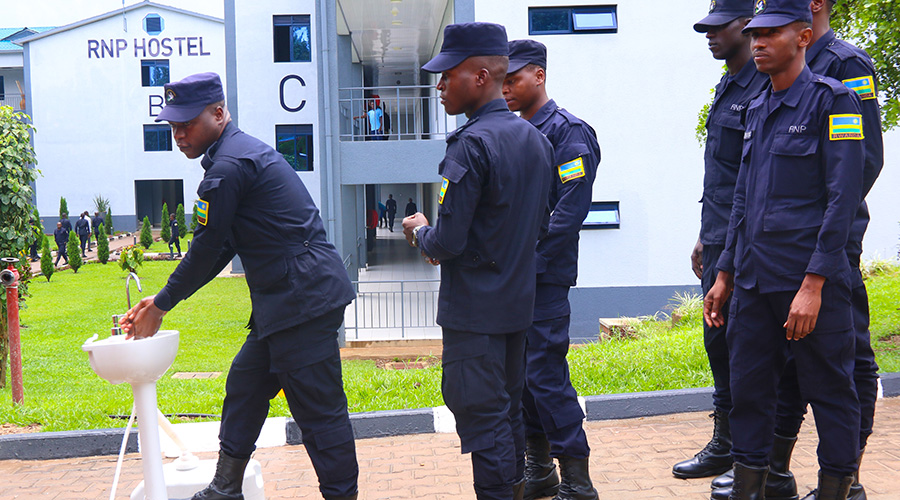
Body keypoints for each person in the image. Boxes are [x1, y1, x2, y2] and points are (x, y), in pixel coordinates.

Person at [119, 72, 359, 500]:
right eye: (171, 126)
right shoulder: (232, 155)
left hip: (302, 301)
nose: (178, 135)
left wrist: (162, 303)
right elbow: (223, 245)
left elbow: (209, 246)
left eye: (186, 124)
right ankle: (226, 487)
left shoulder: (229, 166)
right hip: (285, 301)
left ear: (218, 113)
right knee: (245, 386)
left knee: (319, 414)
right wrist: (162, 299)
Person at [712, 1, 885, 499]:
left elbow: (844, 196)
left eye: (770, 34)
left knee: (831, 389)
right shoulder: (759, 105)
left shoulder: (836, 100)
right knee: (749, 391)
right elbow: (743, 196)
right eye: (755, 34)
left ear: (803, 37)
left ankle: (838, 488)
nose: (758, 42)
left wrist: (815, 283)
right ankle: (753, 485)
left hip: (808, 278)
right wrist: (725, 273)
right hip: (753, 279)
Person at [402, 22, 553, 500]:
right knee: (507, 412)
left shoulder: (469, 147)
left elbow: (446, 241)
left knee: (484, 420)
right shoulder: (536, 140)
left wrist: (419, 231)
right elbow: (537, 227)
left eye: (448, 74)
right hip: (516, 309)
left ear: (482, 76)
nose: (440, 84)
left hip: (475, 316)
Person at [674, 0, 770, 485]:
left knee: (746, 350)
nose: (709, 35)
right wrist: (704, 237)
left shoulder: (765, 83)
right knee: (719, 345)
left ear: (748, 26)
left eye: (718, 27)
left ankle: (753, 458)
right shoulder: (729, 84)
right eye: (705, 28)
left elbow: (755, 181)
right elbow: (723, 176)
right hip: (717, 237)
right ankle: (727, 445)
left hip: (749, 247)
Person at [502, 39, 600, 500]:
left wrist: (530, 263)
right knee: (521, 376)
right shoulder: (515, 131)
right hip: (515, 278)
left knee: (545, 374)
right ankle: (539, 468)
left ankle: (578, 482)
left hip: (544, 277)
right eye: (500, 79)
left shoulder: (568, 132)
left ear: (539, 75)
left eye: (514, 78)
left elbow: (570, 211)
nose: (505, 88)